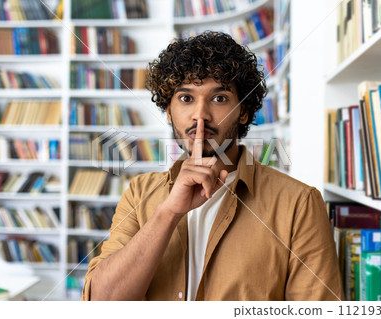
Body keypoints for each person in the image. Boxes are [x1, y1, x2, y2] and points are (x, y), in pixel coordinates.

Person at [81, 31, 343, 301]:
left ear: (243, 111)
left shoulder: (298, 203)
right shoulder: (139, 192)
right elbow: (101, 302)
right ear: (169, 111)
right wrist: (168, 212)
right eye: (186, 98)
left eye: (219, 99)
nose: (200, 115)